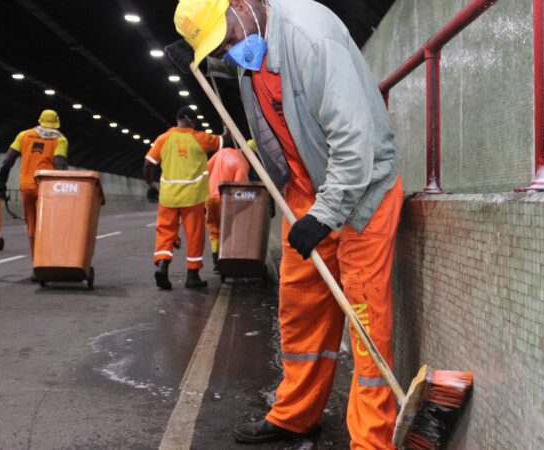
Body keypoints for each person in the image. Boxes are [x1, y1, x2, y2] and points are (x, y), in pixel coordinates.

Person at [168, 1, 403, 448]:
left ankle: (372, 440)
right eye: (219, 49)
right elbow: (246, 66)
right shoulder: (250, 35)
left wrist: (326, 215)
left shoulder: (312, 38)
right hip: (304, 189)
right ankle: (296, 414)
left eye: (226, 40)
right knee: (301, 310)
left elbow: (355, 143)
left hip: (360, 190)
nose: (230, 52)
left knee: (365, 321)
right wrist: (205, 59)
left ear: (242, 4)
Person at [144, 106, 225, 290]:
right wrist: (227, 127)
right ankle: (192, 276)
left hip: (168, 197)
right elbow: (223, 140)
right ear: (188, 118)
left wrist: (150, 185)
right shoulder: (199, 138)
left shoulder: (163, 138)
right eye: (194, 120)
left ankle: (162, 266)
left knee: (165, 232)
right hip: (192, 197)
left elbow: (148, 163)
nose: (195, 124)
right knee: (194, 235)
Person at [0, 109, 68, 282]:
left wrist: (1, 182)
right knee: (50, 226)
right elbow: (60, 166)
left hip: (27, 187)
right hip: (48, 188)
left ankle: (37, 267)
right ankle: (52, 263)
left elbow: (7, 161)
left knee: (32, 227)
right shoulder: (60, 140)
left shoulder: (24, 135)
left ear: (40, 120)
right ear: (56, 122)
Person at [206, 140, 251, 272]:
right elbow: (238, 189)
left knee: (214, 230)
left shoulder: (222, 152)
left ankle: (215, 262)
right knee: (228, 230)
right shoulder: (243, 163)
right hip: (225, 200)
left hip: (209, 198)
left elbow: (206, 170)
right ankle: (226, 261)